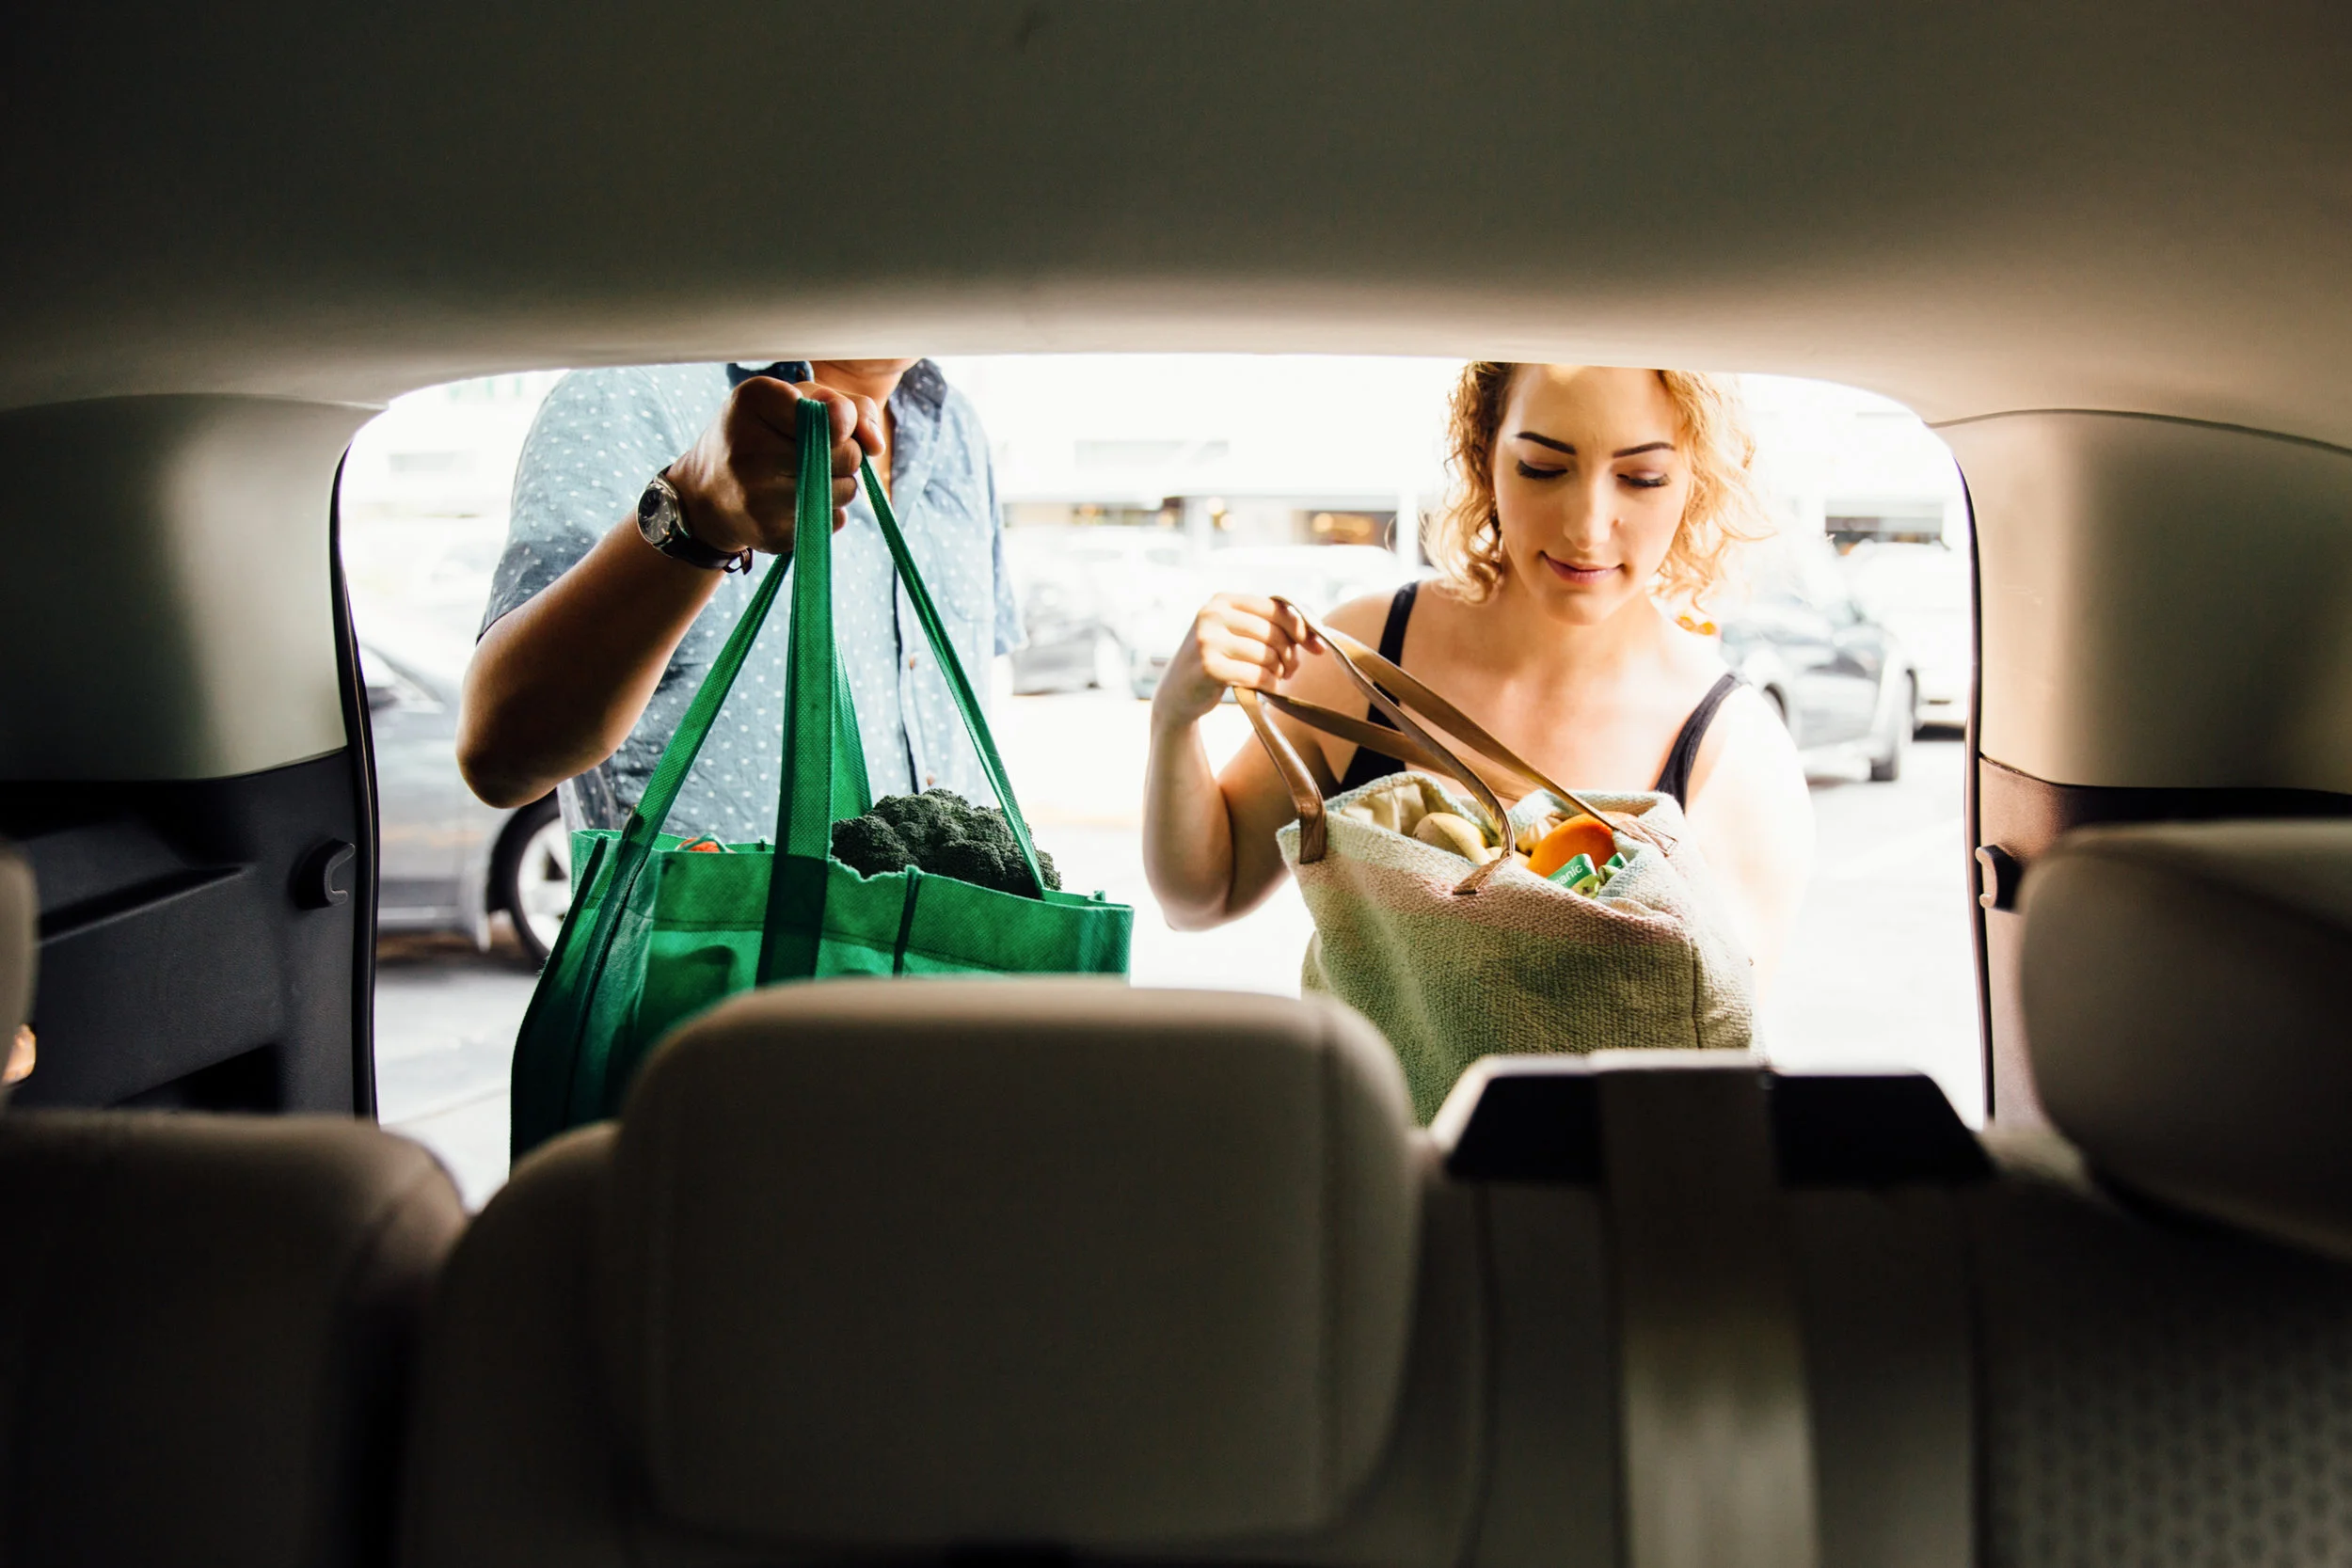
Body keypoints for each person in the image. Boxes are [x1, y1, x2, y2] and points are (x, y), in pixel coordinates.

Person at [1142, 362, 1813, 987]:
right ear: (1483, 453)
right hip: (1364, 1087)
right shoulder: (1361, 657)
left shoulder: (1732, 748)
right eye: (1543, 467)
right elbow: (1202, 898)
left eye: (1642, 478)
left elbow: (1719, 1032)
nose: (1587, 527)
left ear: (1697, 481)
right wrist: (1174, 720)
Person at [459, 360, 1022, 845]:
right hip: (704, 941)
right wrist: (695, 514)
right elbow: (502, 760)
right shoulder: (629, 392)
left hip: (942, 941)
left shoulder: (958, 428)